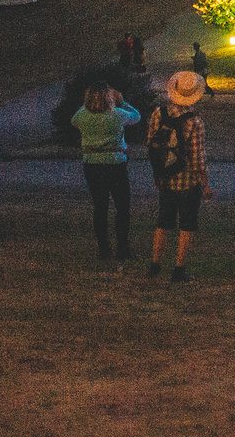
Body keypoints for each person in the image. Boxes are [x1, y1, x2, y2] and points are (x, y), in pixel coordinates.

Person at [147, 70, 211, 282]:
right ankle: (179, 268)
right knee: (186, 224)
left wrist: (158, 172)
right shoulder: (195, 122)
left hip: (165, 177)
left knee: (163, 222)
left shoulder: (158, 113)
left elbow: (152, 144)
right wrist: (205, 184)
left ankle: (155, 263)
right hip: (187, 181)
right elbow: (197, 158)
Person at [73, 84, 140, 264]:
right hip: (115, 163)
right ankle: (122, 248)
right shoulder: (117, 115)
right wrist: (123, 101)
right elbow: (137, 116)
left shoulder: (82, 116)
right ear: (110, 98)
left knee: (100, 207)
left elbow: (74, 120)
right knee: (122, 206)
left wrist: (86, 104)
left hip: (92, 164)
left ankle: (104, 248)